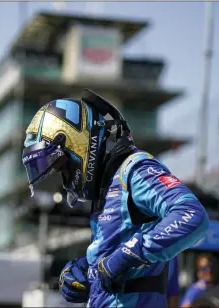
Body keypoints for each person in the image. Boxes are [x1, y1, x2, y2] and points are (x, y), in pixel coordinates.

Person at [22, 89, 209, 308]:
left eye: (62, 166)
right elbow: (113, 263)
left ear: (78, 144)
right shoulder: (106, 186)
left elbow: (192, 215)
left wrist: (128, 254)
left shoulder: (133, 169)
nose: (65, 178)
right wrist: (84, 270)